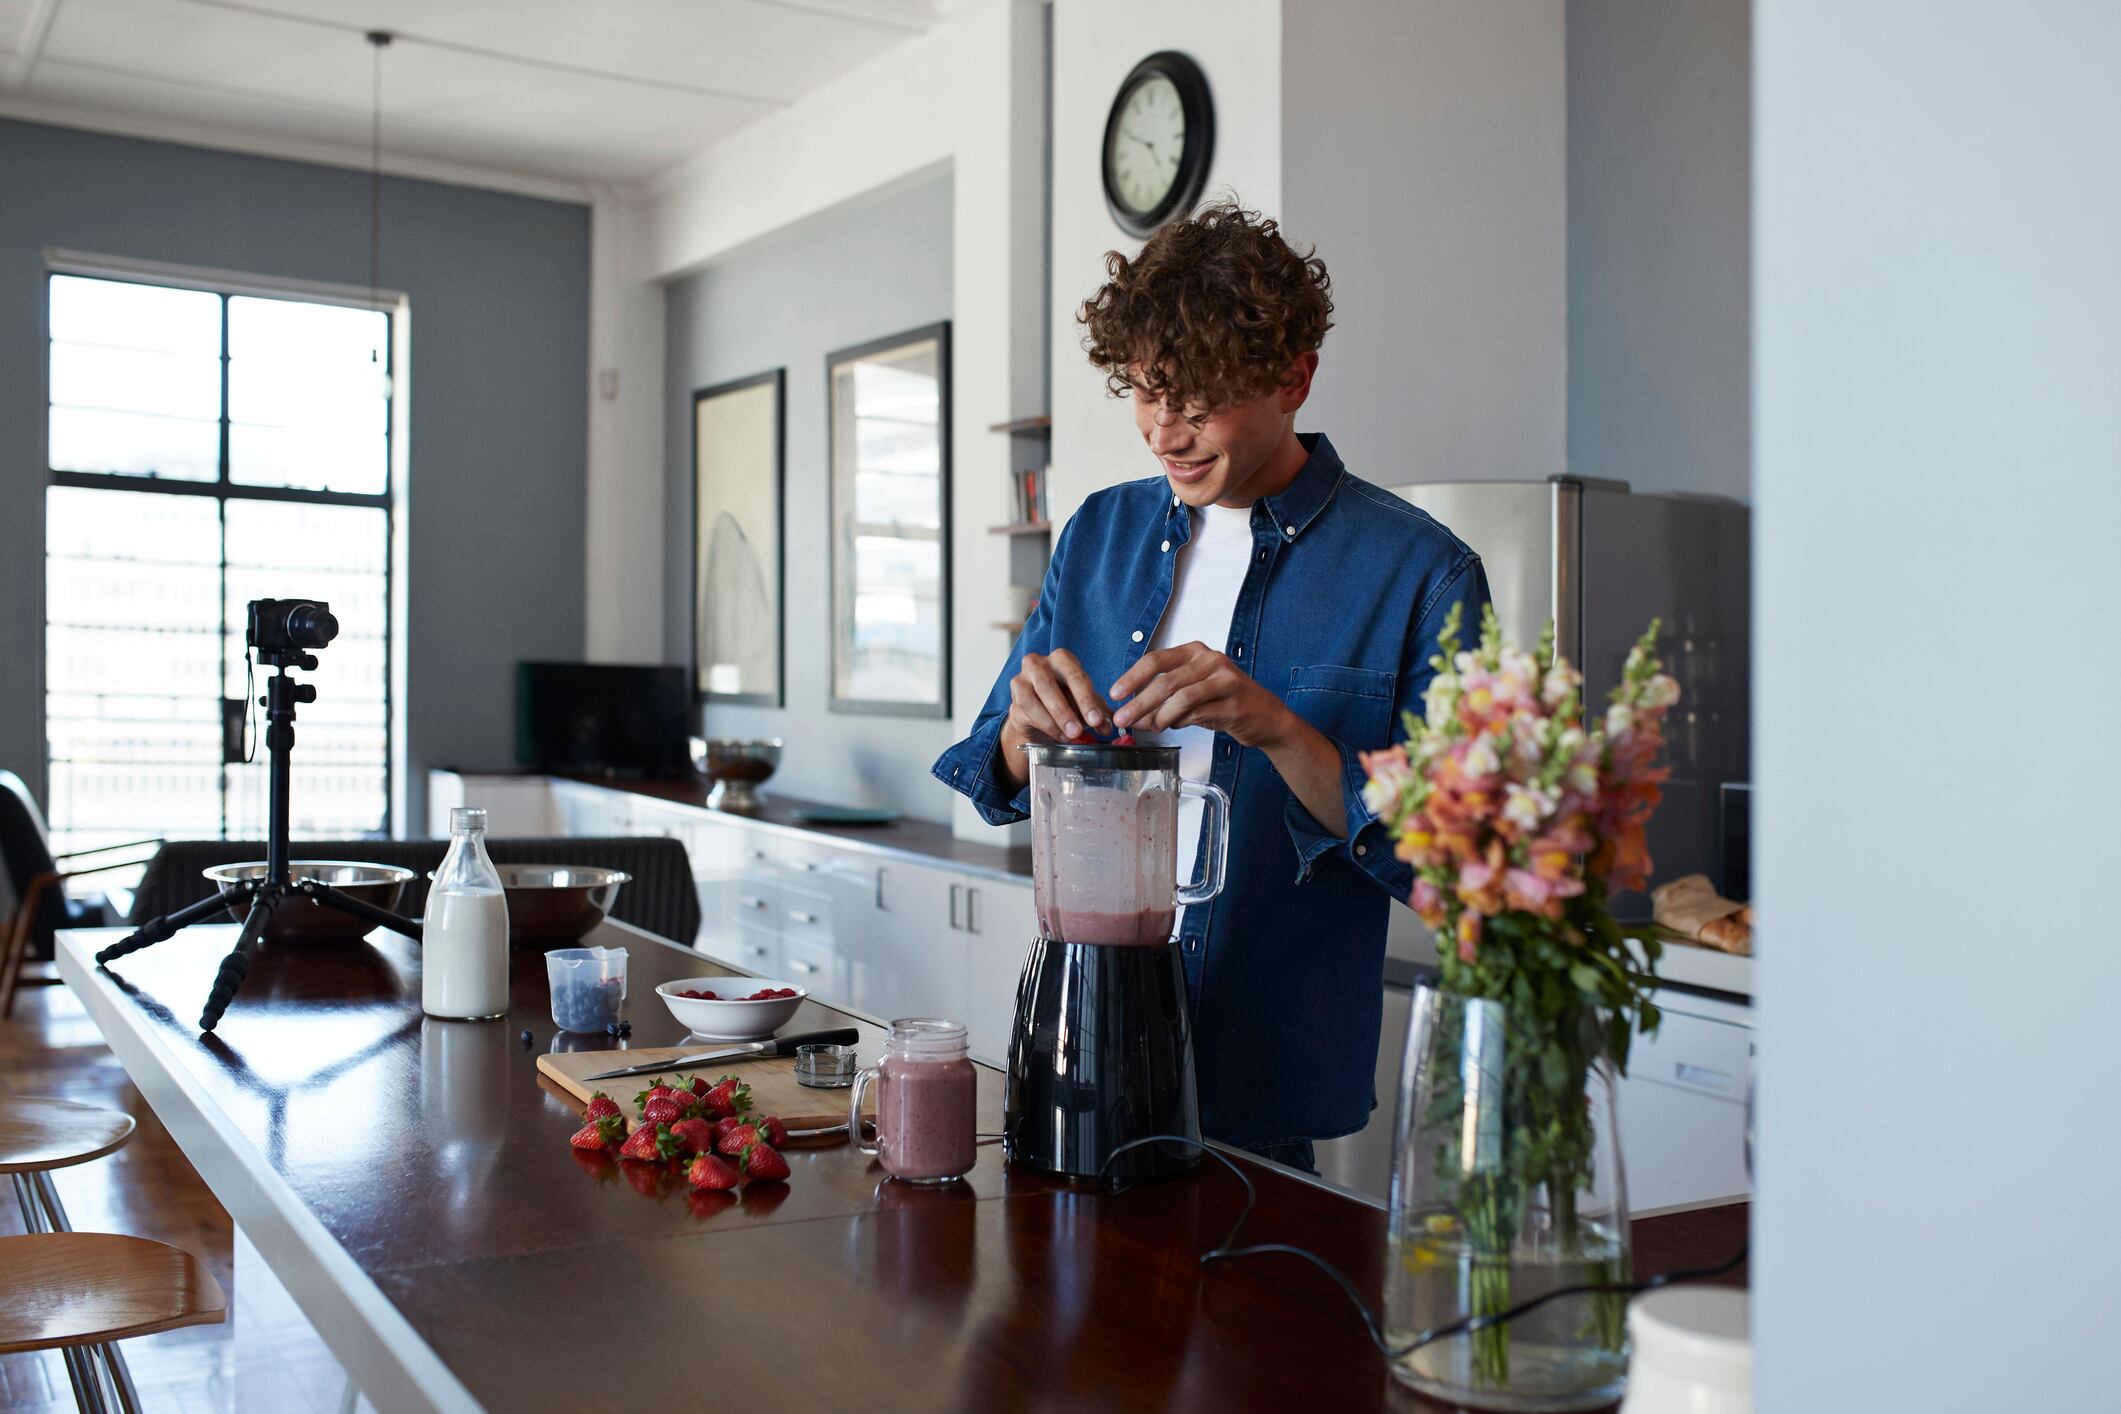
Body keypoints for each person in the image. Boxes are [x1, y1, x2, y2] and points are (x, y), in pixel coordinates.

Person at [933, 201, 1490, 1173]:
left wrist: (1278, 729)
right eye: (1149, 393)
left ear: (1294, 377)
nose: (1165, 431)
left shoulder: (1423, 573)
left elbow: (1451, 871)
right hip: (1076, 1057)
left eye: (1199, 401)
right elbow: (993, 769)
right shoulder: (1098, 534)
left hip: (1263, 1101)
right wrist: (1028, 728)